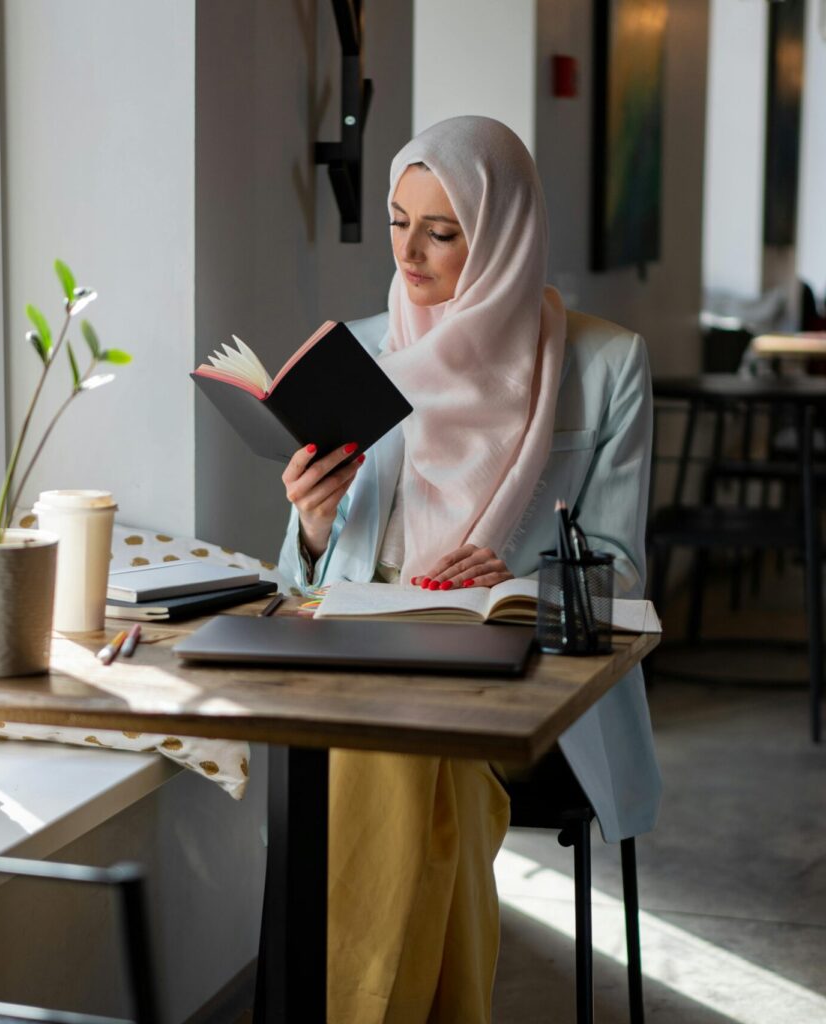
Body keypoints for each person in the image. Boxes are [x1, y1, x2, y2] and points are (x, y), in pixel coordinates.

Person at [277, 115, 661, 1023]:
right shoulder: (361, 351)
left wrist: (510, 589)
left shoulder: (605, 367)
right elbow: (300, 584)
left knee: (395, 746)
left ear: (502, 235)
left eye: (443, 232)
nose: (410, 252)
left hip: (528, 694)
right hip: (373, 663)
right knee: (397, 742)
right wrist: (311, 523)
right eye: (398, 221)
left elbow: (624, 579)